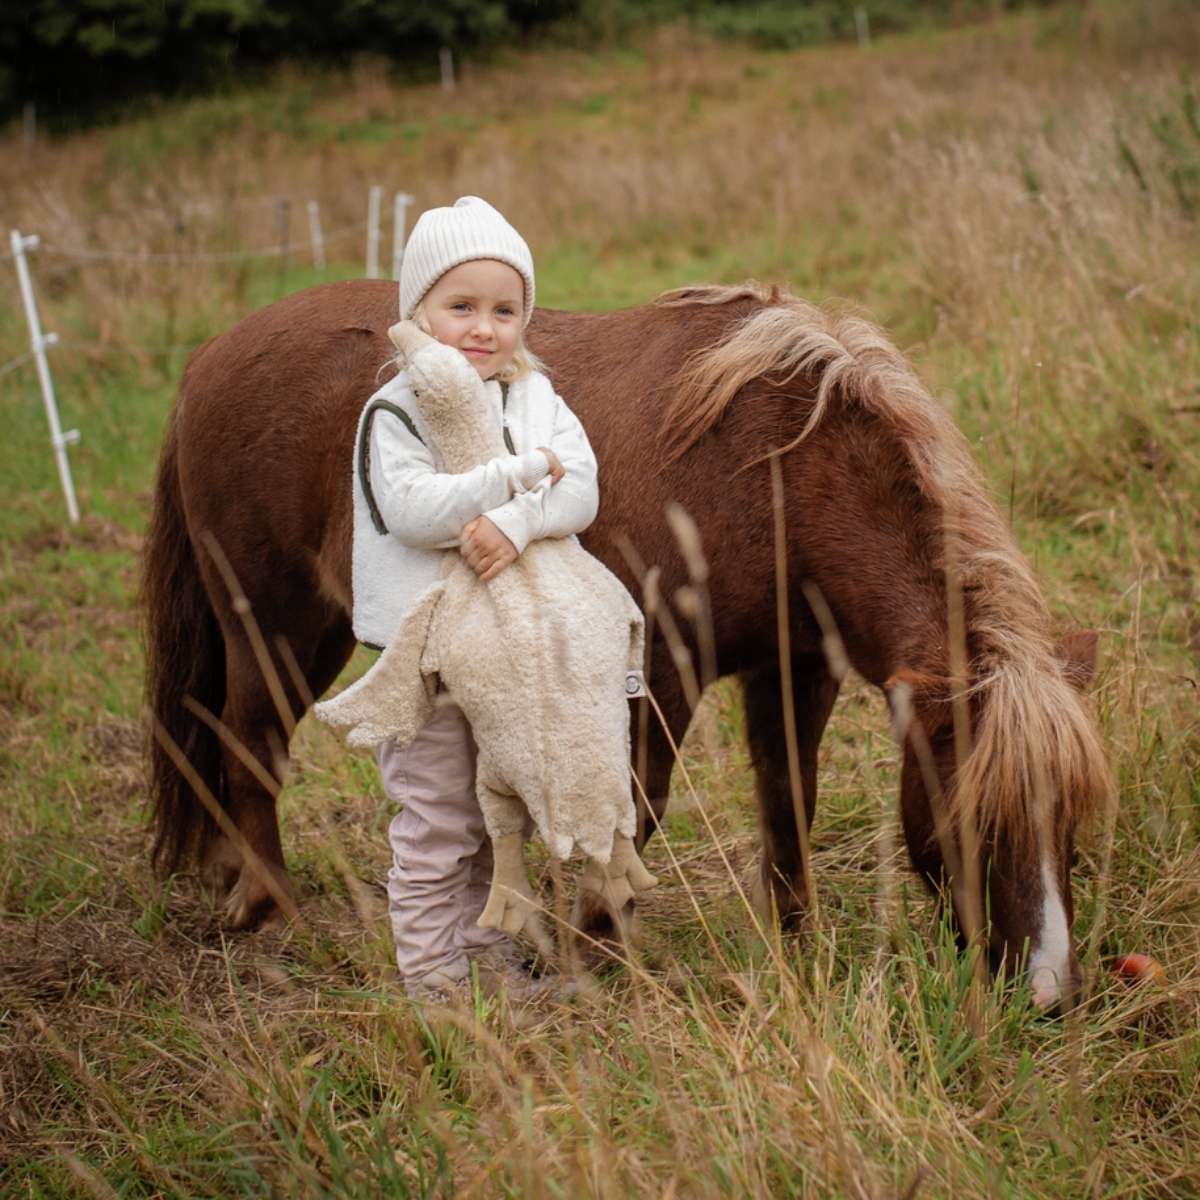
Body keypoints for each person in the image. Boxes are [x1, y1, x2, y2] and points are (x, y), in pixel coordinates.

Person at [350, 196, 599, 1002]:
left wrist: (518, 521)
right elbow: (417, 512)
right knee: (437, 822)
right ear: (417, 311)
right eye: (461, 307)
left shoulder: (534, 397)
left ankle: (485, 961)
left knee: (499, 810)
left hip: (503, 648)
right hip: (425, 654)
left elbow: (583, 487)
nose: (484, 328)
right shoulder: (397, 409)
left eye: (506, 309)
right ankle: (433, 984)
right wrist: (517, 479)